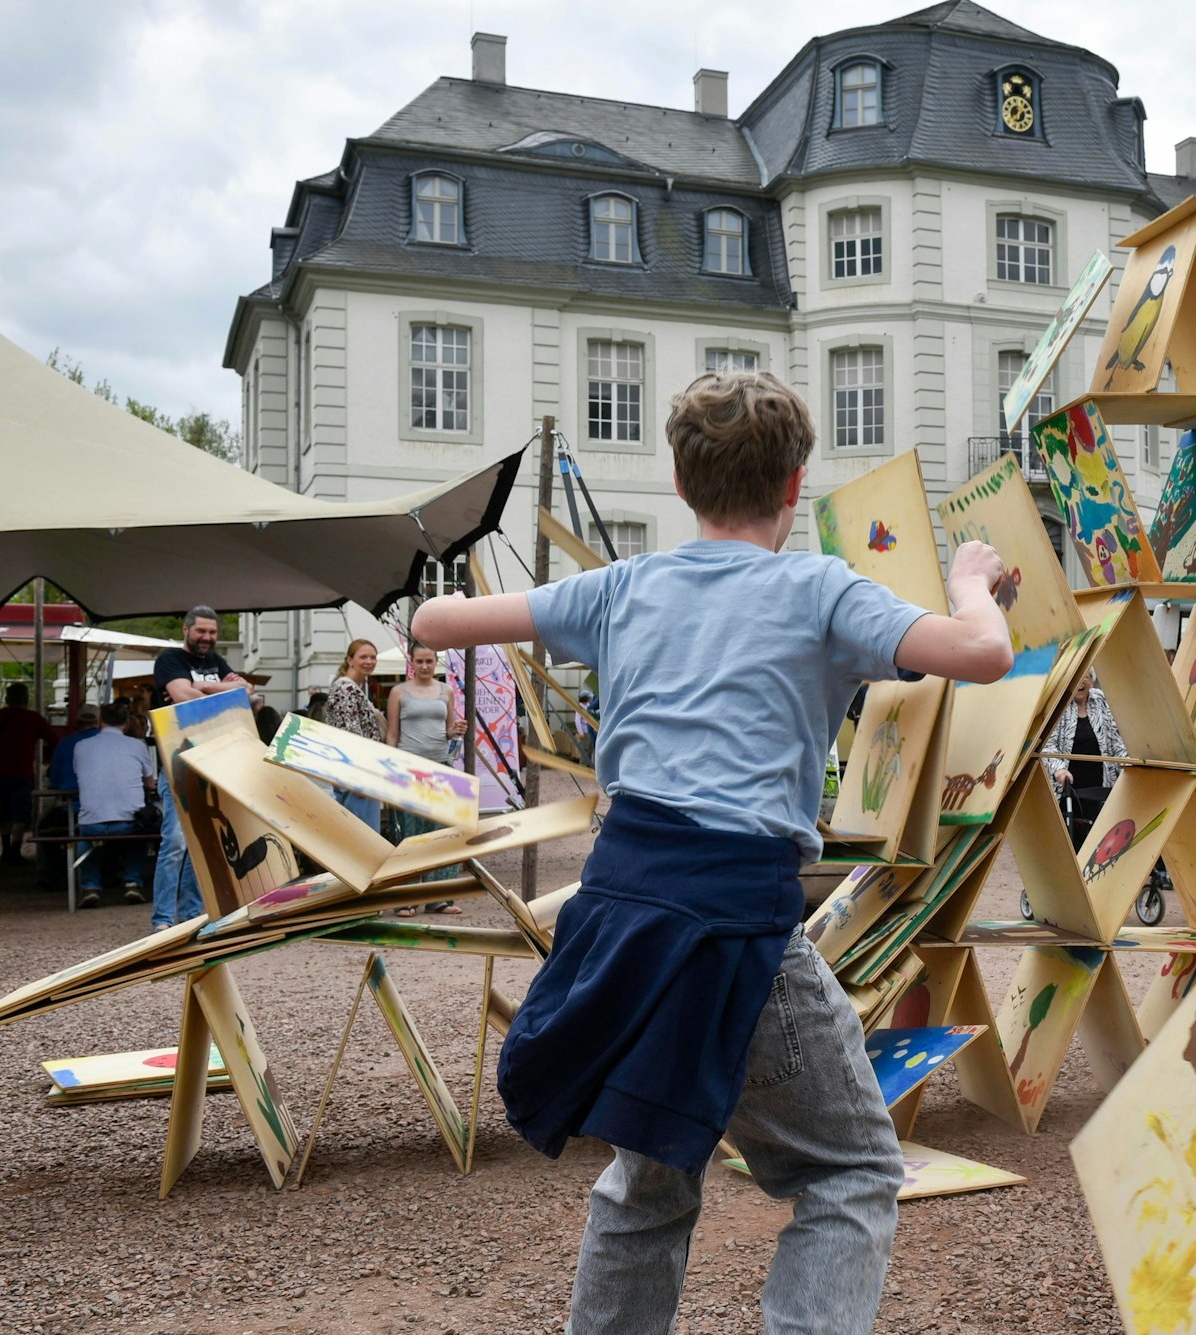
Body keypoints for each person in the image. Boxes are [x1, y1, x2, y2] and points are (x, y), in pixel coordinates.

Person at [411, 370, 1013, 1335]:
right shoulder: (818, 587)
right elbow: (984, 656)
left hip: (619, 912)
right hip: (734, 919)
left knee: (649, 1174)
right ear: (794, 486)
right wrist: (970, 583)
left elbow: (437, 623)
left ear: (682, 486)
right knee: (852, 1166)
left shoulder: (626, 584)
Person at [152, 605, 251, 931]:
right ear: (186, 630)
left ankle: (194, 915)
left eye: (212, 632)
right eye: (201, 632)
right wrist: (222, 688)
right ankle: (163, 919)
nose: (207, 638)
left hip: (214, 763)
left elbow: (246, 691)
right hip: (178, 763)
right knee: (176, 843)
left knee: (204, 840)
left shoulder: (215, 662)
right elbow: (182, 697)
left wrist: (202, 688)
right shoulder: (169, 659)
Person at [385, 643, 466, 914]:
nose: (424, 666)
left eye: (429, 661)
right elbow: (392, 734)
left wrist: (456, 730)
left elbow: (449, 730)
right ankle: (407, 897)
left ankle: (439, 896)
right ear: (412, 662)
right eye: (419, 661)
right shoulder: (399, 692)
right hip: (410, 767)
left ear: (436, 662)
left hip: (441, 766)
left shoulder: (447, 691)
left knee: (442, 832)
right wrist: (389, 769)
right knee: (410, 834)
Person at [69, 701, 157, 909]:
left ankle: (91, 886)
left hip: (92, 821)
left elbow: (78, 773)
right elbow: (150, 782)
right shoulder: (137, 745)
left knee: (85, 836)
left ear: (99, 722)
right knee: (138, 834)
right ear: (127, 724)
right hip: (128, 821)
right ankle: (132, 881)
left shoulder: (81, 746)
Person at [0, 682, 60, 864]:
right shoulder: (33, 718)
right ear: (26, 699)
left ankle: (4, 849)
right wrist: (51, 761)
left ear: (6, 699)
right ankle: (14, 850)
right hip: (22, 770)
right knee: (21, 811)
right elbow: (55, 740)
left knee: (3, 809)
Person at [1043, 671, 1126, 848]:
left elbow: (1116, 741)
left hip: (1100, 786)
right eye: (1077, 675)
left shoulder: (1101, 700)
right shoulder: (1058, 704)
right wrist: (1058, 769)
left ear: (1092, 680)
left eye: (1086, 676)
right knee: (1072, 843)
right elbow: (1048, 746)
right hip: (1068, 787)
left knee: (1099, 844)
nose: (1082, 681)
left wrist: (1128, 763)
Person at [323, 639, 385, 831]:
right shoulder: (346, 688)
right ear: (350, 660)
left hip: (355, 772)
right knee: (364, 835)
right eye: (363, 657)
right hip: (358, 773)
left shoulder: (352, 687)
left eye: (373, 657)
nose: (369, 661)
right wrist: (360, 776)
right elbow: (350, 735)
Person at [48, 703, 102, 797]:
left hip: (70, 803)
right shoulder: (109, 742)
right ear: (99, 721)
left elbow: (54, 778)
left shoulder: (64, 744)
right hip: (103, 803)